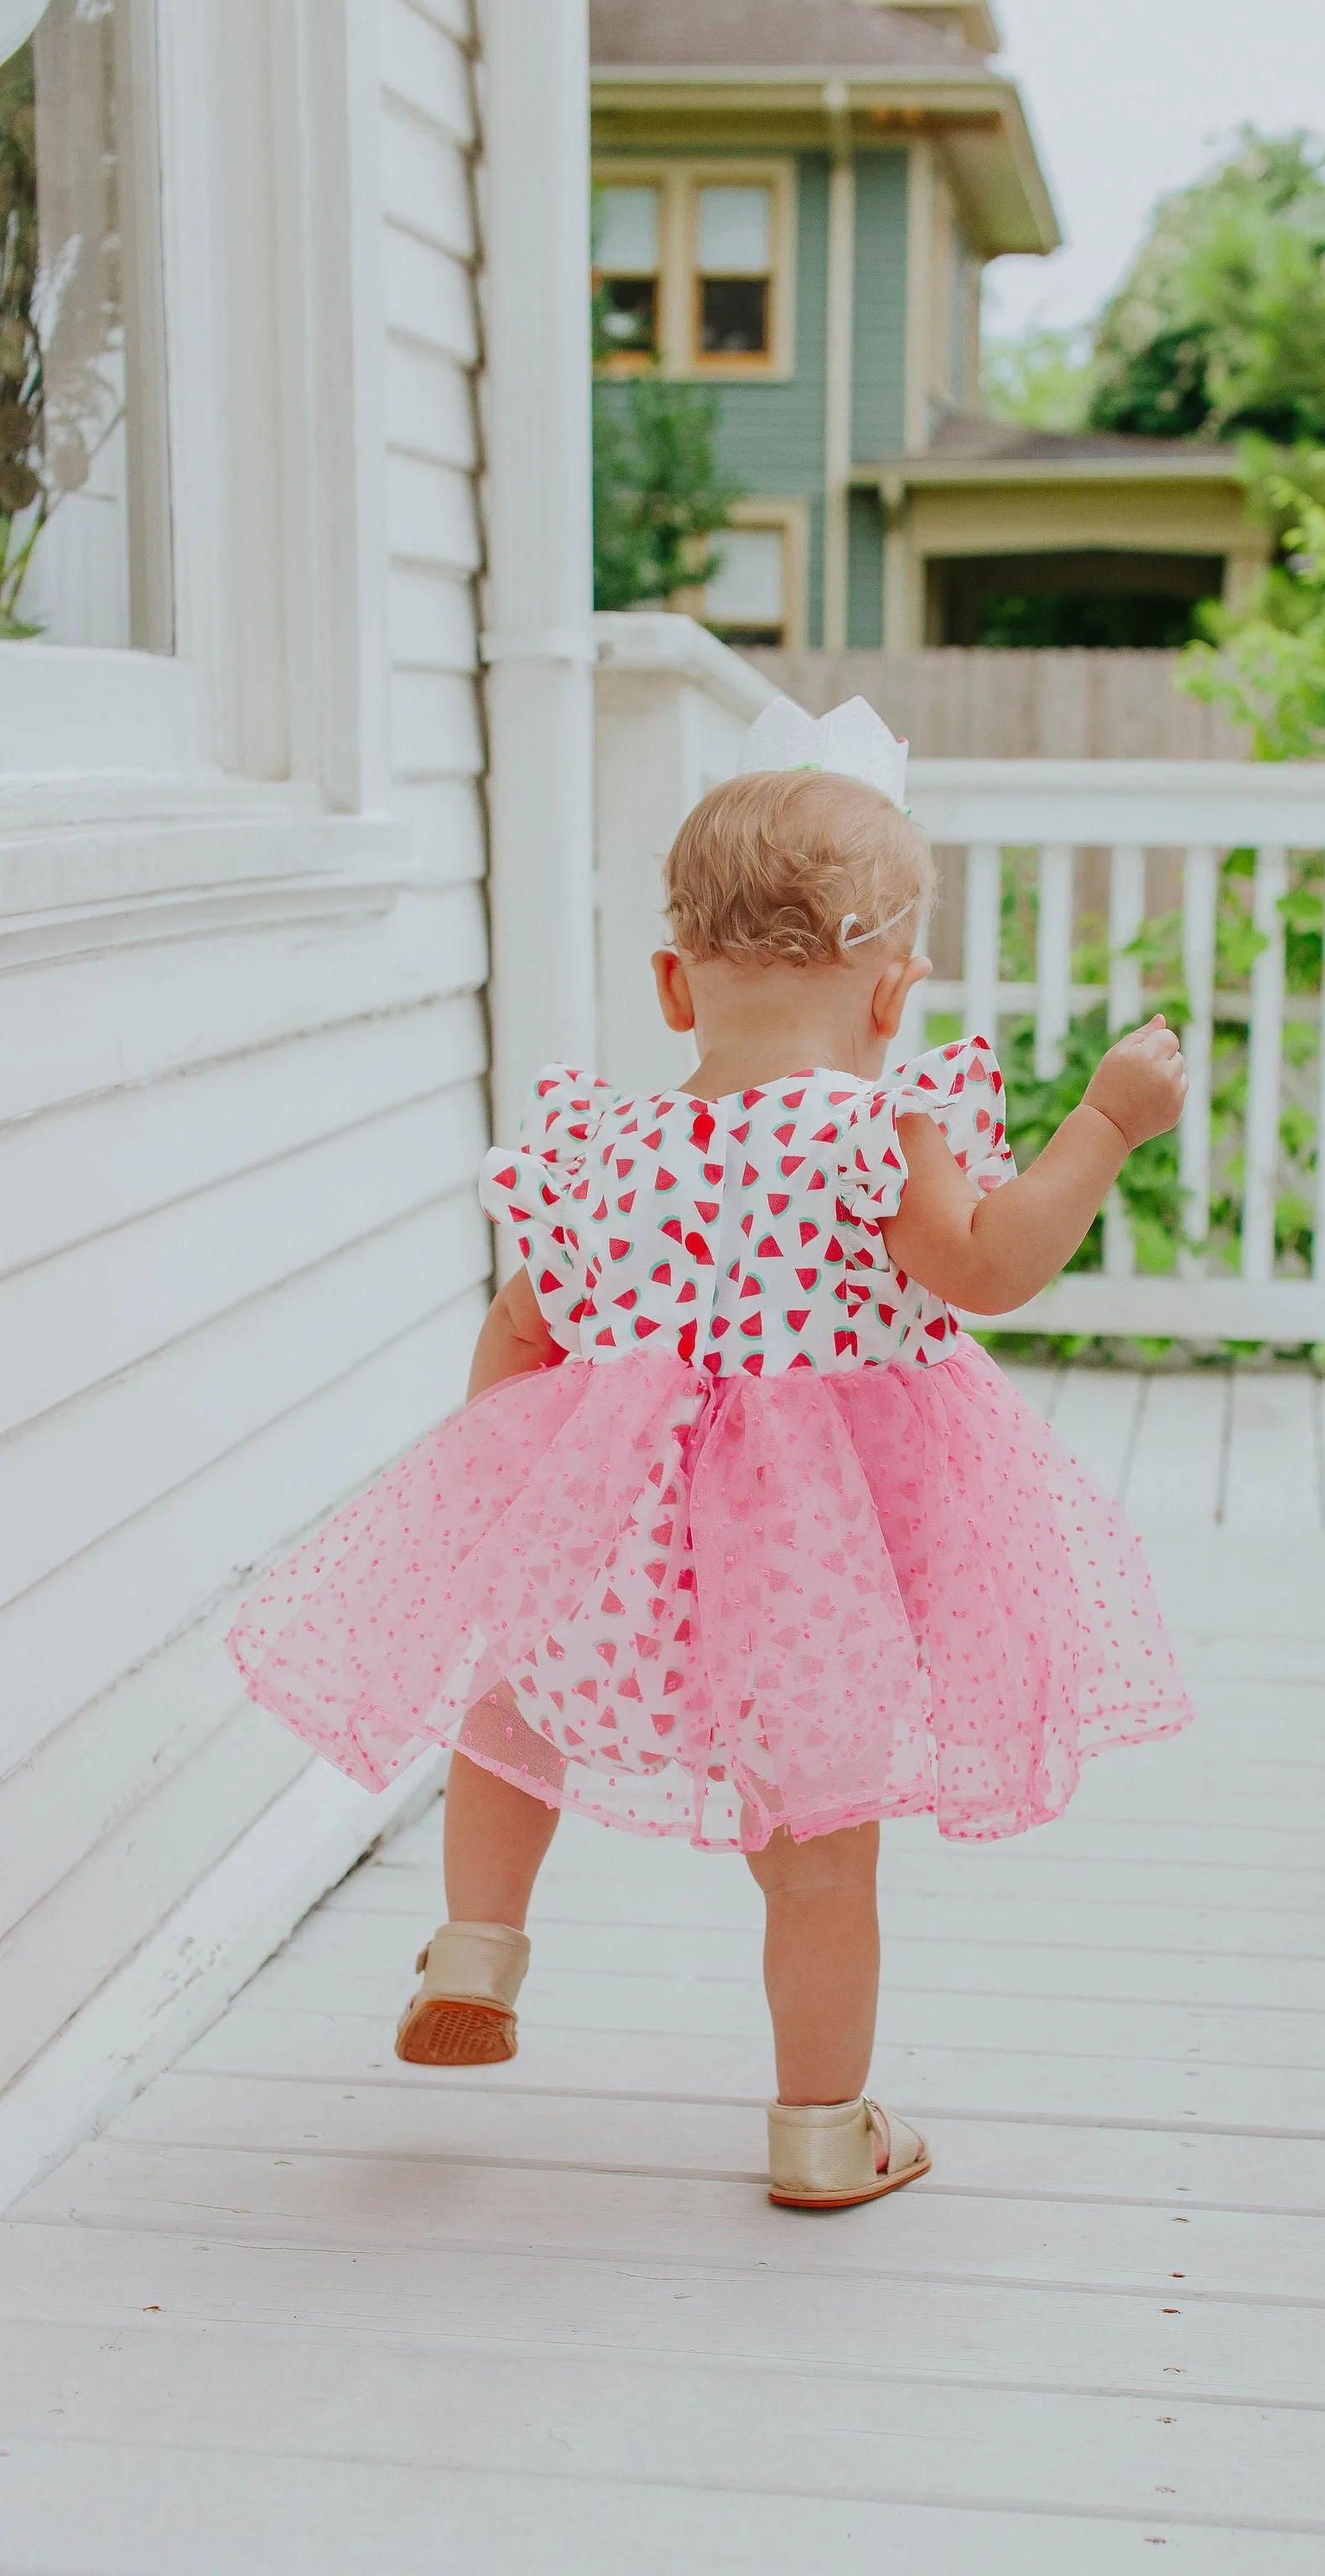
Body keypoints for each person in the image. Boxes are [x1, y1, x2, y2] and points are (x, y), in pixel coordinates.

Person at [227, 696, 1192, 2210]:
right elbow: (993, 1269)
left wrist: (502, 1499)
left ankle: (480, 1941)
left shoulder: (604, 1149)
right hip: (806, 1586)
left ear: (676, 985)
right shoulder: (884, 1136)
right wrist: (1106, 1127)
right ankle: (823, 2131)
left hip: (619, 1559)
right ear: (894, 998)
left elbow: (526, 1331)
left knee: (507, 1707)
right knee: (816, 1851)